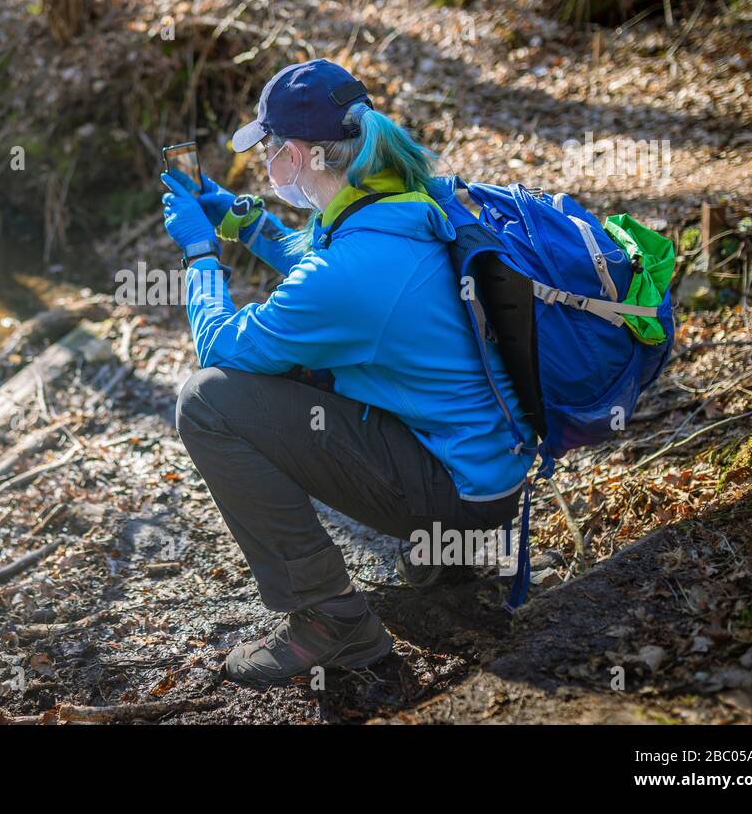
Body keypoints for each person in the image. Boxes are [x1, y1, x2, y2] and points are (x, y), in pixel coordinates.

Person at [160, 59, 535, 686]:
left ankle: (331, 622)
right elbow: (318, 262)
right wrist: (242, 221)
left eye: (273, 147)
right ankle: (448, 567)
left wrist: (200, 256)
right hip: (485, 475)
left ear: (304, 155)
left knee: (208, 403)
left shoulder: (353, 269)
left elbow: (222, 347)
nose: (268, 161)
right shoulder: (396, 201)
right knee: (299, 373)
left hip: (459, 499)